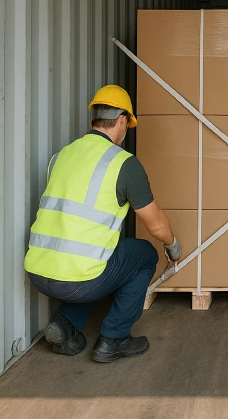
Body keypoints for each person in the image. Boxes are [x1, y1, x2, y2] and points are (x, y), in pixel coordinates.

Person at [24, 85, 181, 363]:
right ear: (122, 120)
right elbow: (155, 224)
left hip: (37, 271)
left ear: (93, 120)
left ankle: (64, 324)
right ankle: (115, 338)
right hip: (78, 279)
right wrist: (173, 247)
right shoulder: (123, 163)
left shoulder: (61, 155)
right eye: (127, 124)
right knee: (143, 255)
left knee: (102, 259)